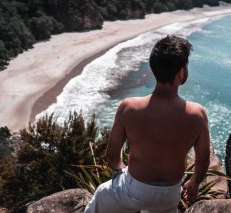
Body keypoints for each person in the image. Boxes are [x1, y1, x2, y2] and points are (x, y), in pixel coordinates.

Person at [85, 35, 210, 213]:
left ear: (154, 69)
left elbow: (112, 156)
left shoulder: (128, 108)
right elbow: (203, 160)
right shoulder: (198, 114)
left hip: (134, 189)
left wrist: (123, 172)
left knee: (101, 194)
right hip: (170, 194)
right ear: (181, 72)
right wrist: (195, 182)